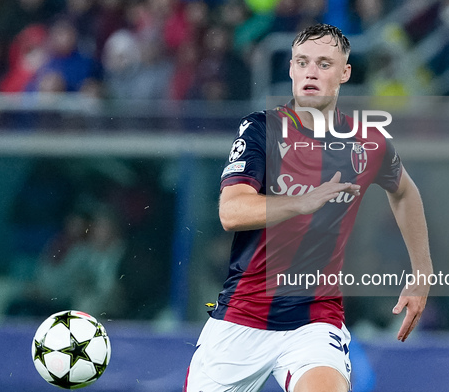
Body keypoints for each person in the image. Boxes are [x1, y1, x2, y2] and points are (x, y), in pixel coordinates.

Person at [184, 23, 433, 392]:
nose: (311, 72)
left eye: (323, 63)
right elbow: (231, 212)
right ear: (290, 69)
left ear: (345, 73)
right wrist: (301, 201)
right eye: (302, 62)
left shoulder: (369, 143)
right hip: (241, 317)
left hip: (314, 323)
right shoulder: (261, 130)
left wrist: (422, 272)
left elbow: (404, 192)